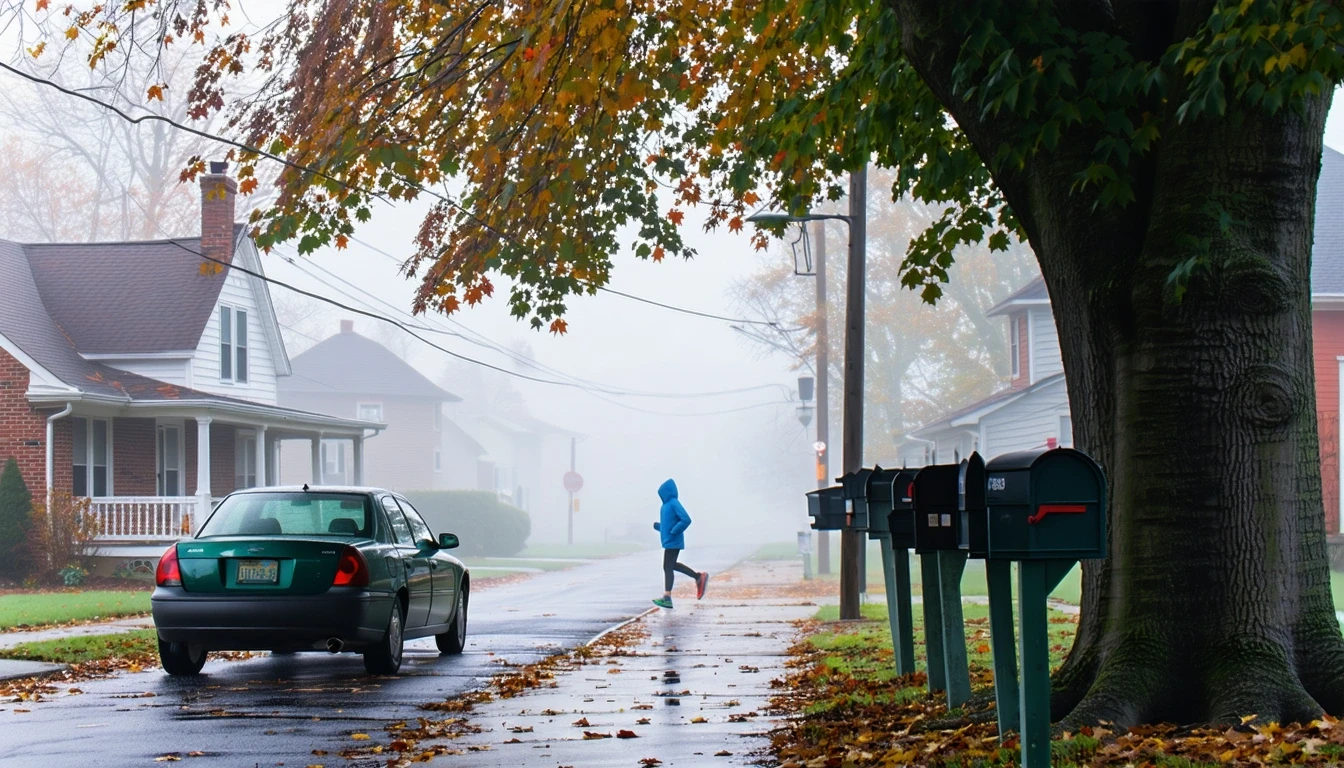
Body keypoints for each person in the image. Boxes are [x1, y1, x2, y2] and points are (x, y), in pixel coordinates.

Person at [651, 478, 708, 609]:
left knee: (667, 567)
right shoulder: (665, 506)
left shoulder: (673, 503)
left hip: (673, 541)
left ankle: (667, 597)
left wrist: (673, 532)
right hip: (669, 541)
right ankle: (698, 576)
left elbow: (686, 519)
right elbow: (669, 524)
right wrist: (659, 527)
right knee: (671, 565)